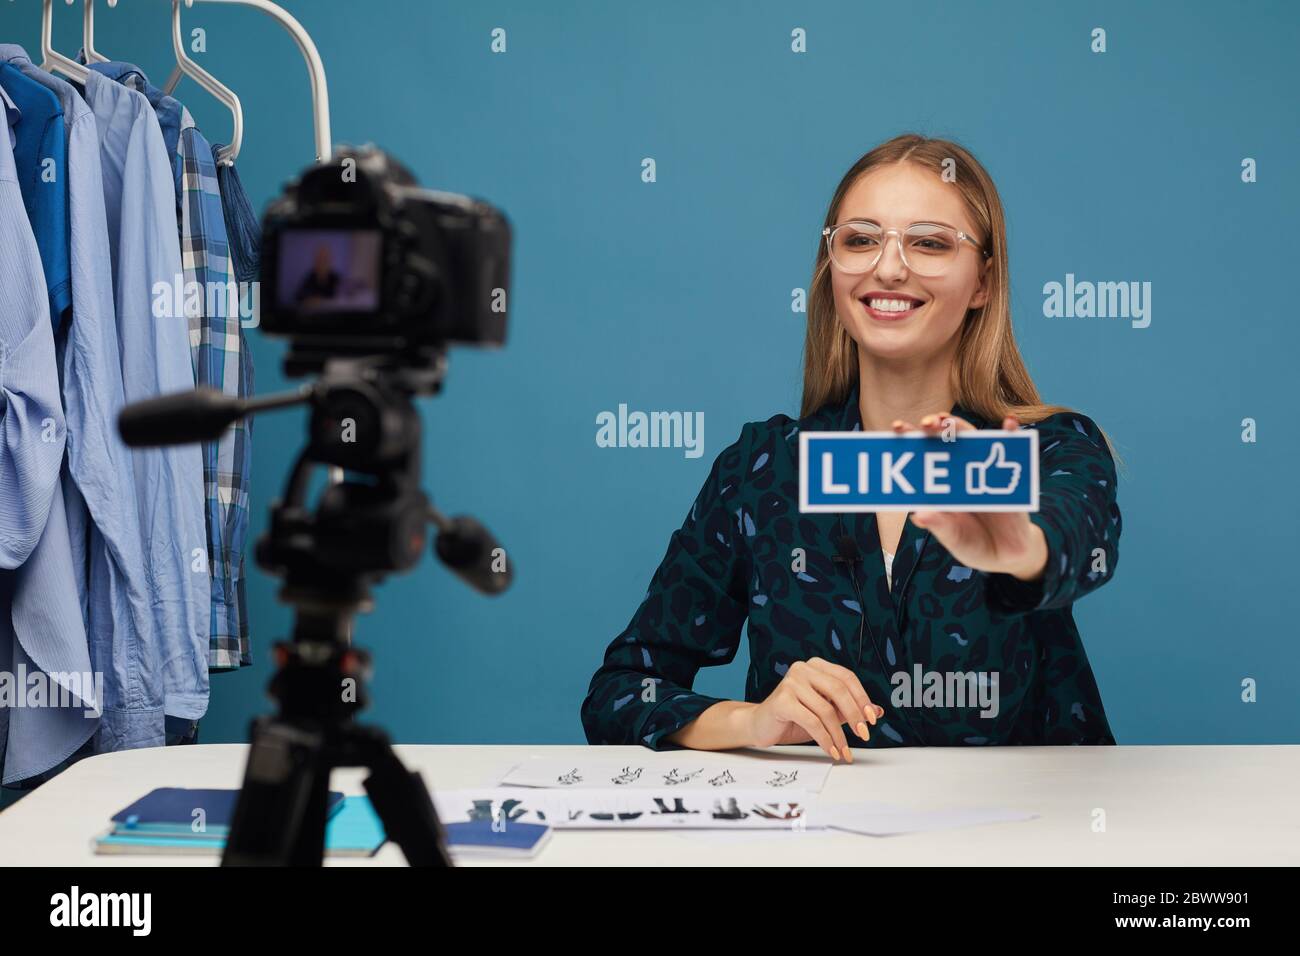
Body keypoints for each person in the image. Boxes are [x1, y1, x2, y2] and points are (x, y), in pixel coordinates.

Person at [581, 133, 1122, 759]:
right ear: (830, 269)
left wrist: (1022, 547)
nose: (888, 268)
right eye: (861, 239)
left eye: (929, 242)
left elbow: (1081, 545)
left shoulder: (1048, 450)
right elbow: (620, 693)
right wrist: (752, 721)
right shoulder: (765, 469)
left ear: (982, 281)